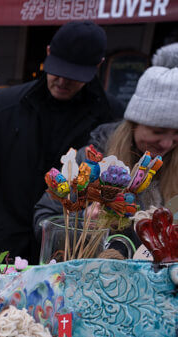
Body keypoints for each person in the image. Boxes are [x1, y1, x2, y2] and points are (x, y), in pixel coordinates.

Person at [0, 21, 124, 263]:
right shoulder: (5, 103)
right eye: (57, 70)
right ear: (48, 53)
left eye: (74, 76)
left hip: (72, 247)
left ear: (97, 66)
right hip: (3, 240)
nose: (62, 81)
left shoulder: (111, 115)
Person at [33, 43, 178, 237]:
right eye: (157, 132)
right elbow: (43, 219)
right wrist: (83, 222)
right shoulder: (91, 162)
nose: (167, 144)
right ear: (134, 124)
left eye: (177, 135)